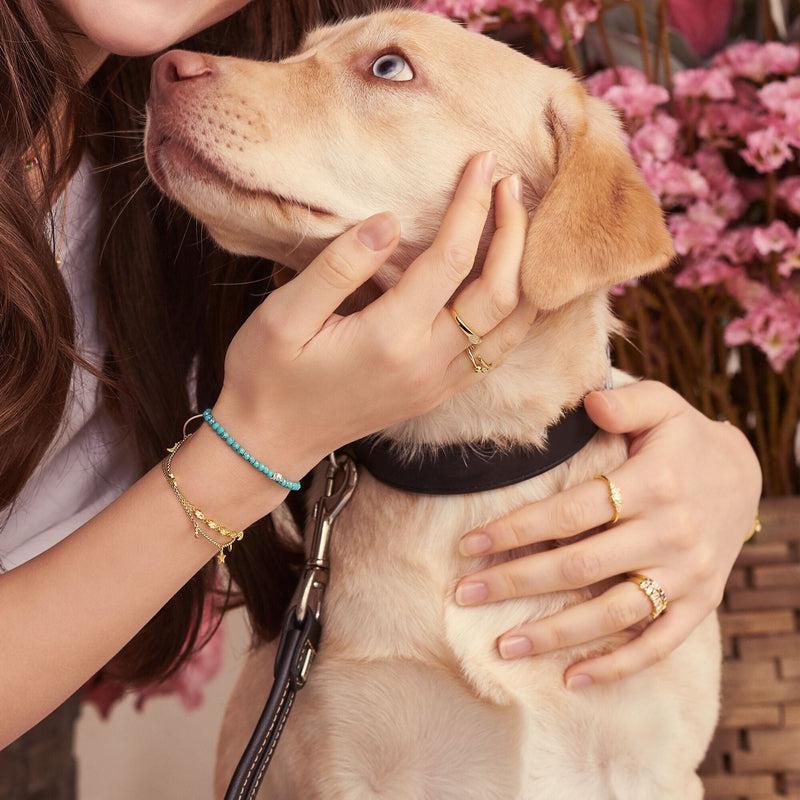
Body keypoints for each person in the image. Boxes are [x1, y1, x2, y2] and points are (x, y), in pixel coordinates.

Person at [0, 0, 761, 756]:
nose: (194, 74)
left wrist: (727, 468)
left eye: (386, 68)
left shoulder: (160, 219)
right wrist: (255, 448)